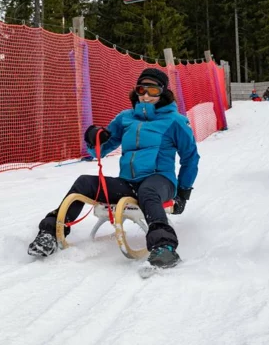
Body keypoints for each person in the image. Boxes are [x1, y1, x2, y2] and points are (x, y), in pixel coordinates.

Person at [27, 68, 200, 269]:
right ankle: (50, 233)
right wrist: (95, 137)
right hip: (128, 183)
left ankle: (164, 246)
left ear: (163, 93)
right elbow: (99, 150)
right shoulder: (125, 118)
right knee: (84, 182)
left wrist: (183, 192)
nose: (145, 95)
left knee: (149, 191)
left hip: (160, 180)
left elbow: (190, 157)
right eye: (141, 89)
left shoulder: (175, 121)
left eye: (152, 91)